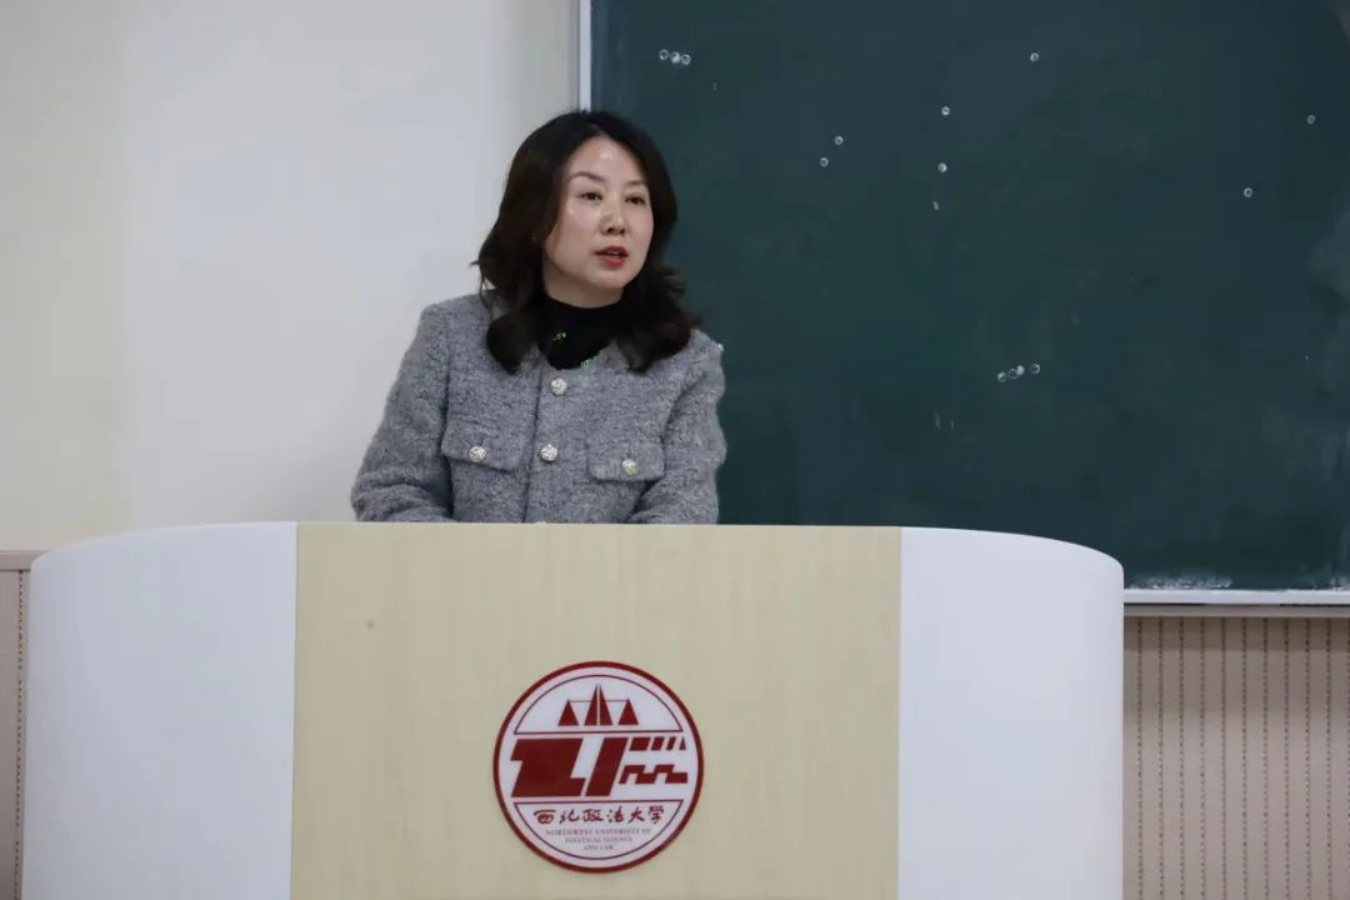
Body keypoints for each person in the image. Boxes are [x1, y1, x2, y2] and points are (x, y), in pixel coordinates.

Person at [350, 110, 726, 524]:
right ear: (534, 216)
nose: (618, 222)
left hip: (615, 574)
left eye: (636, 200)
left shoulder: (685, 363)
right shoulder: (452, 335)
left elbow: (681, 517)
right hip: (463, 571)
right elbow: (392, 492)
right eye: (591, 196)